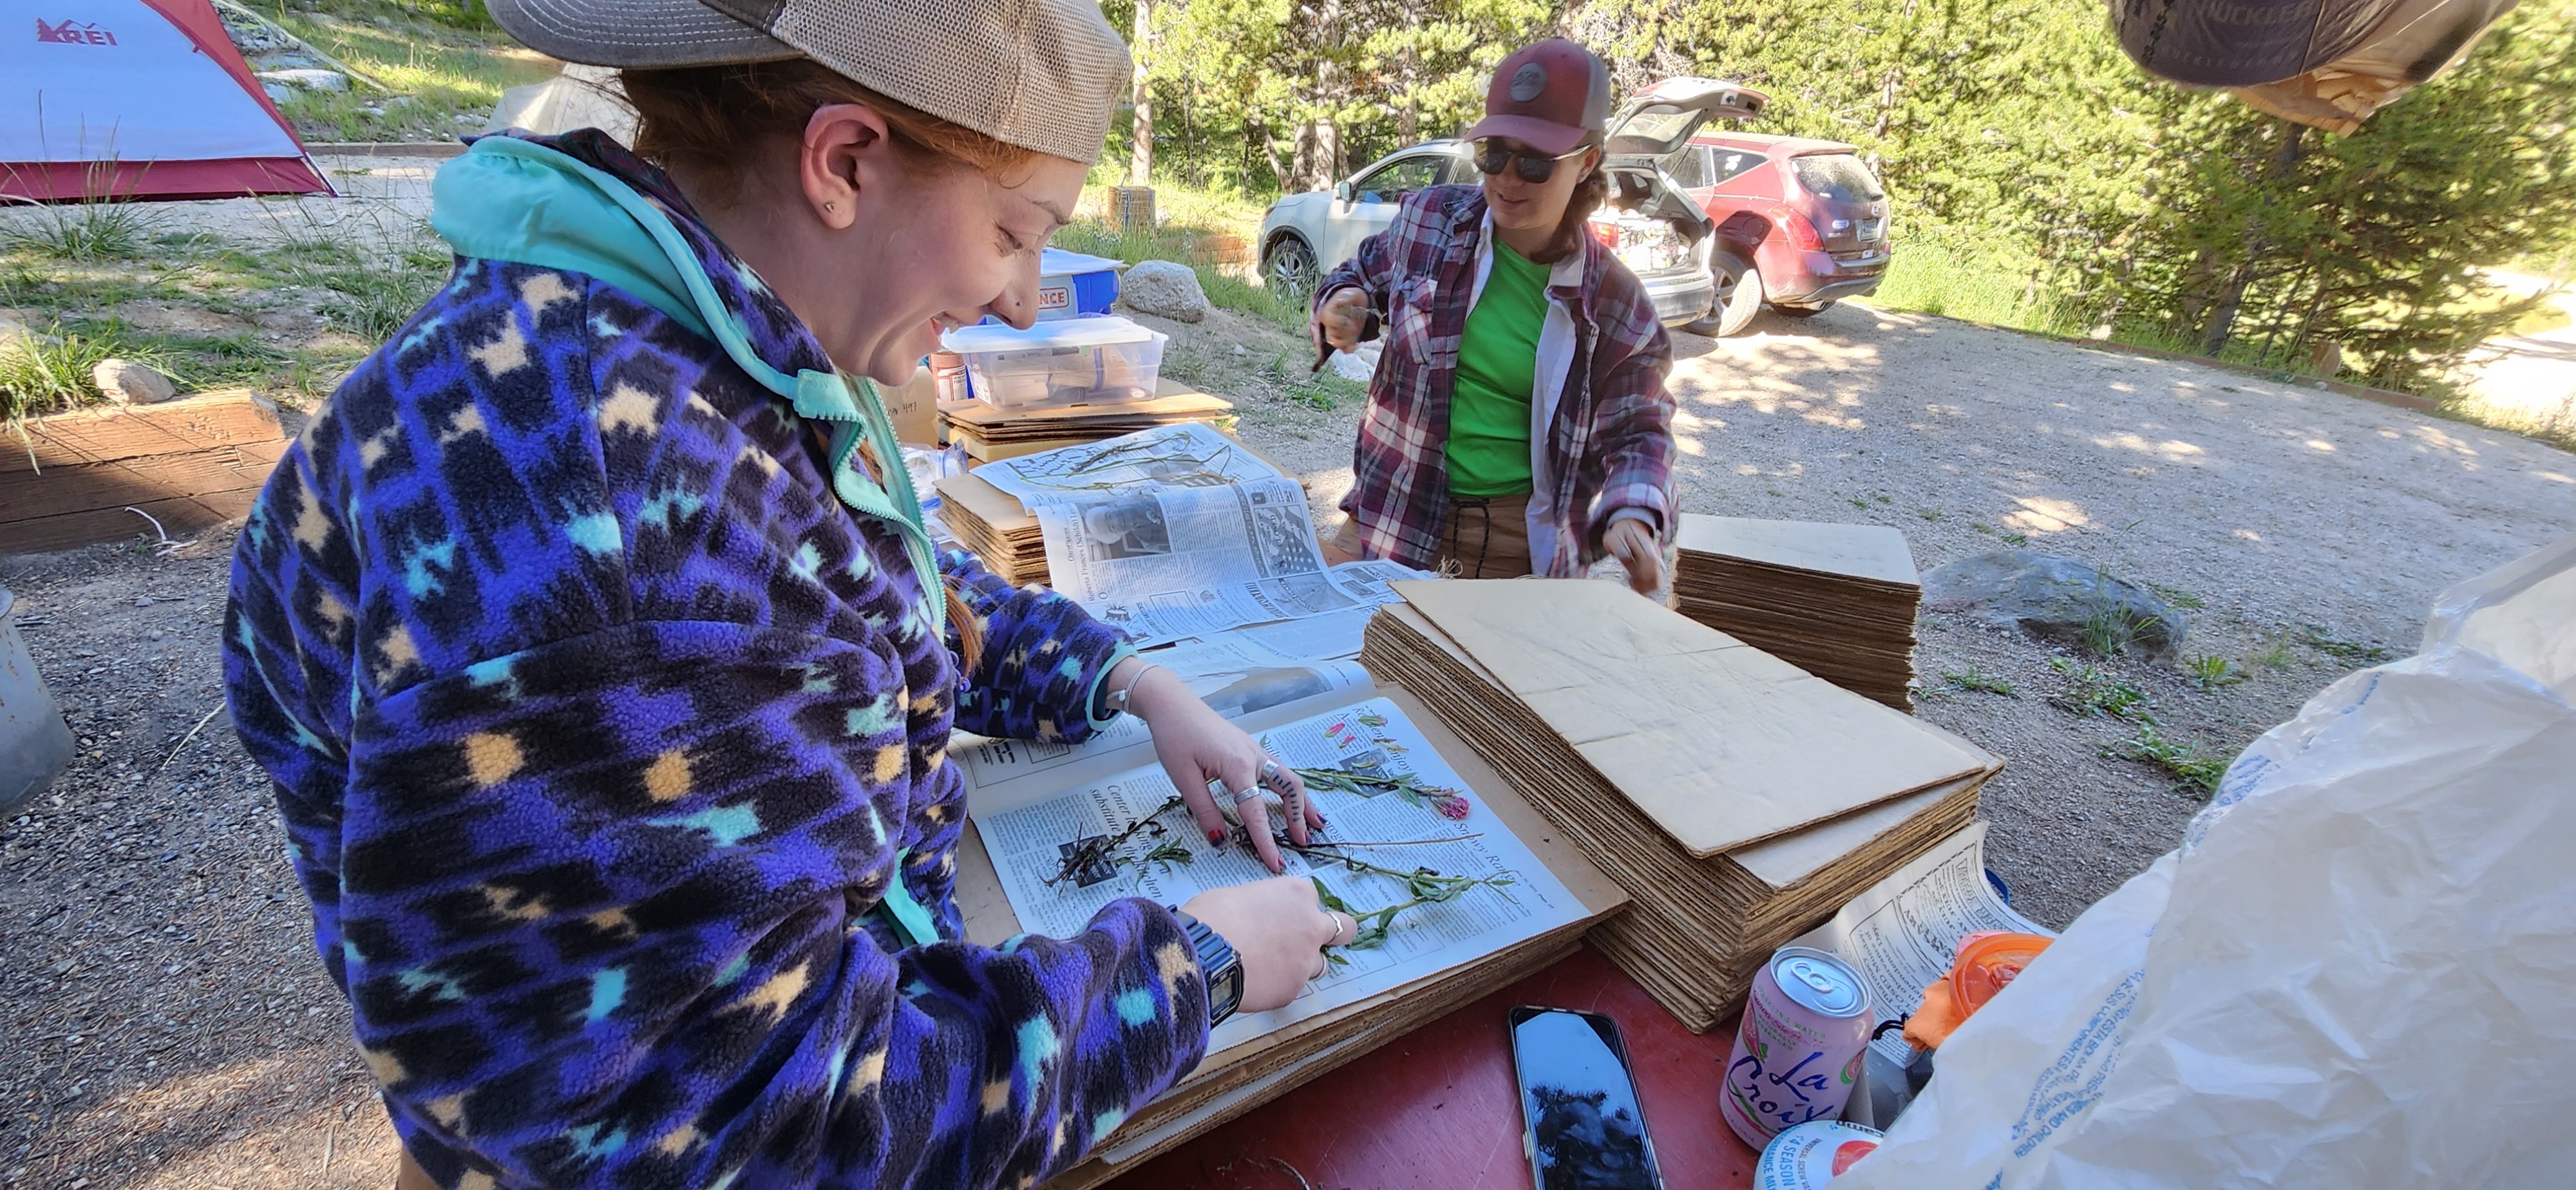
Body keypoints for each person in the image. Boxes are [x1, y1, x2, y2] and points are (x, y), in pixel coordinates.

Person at [218, 1, 1360, 1187]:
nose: (1024, 298)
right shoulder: (617, 551)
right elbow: (769, 1128)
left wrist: (1128, 678)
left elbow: (861, 579)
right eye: (1017, 233)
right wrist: (1195, 969)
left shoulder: (685, 345)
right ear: (844, 162)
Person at [1313, 39, 1678, 595]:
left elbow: (1640, 431)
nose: (1508, 179)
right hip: (1391, 510)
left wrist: (1635, 514)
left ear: (1586, 163)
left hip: (1512, 549)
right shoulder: (1431, 222)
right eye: (1493, 155)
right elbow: (1362, 278)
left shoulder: (1614, 302)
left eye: (1534, 163)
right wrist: (1342, 307)